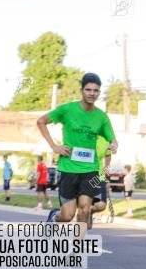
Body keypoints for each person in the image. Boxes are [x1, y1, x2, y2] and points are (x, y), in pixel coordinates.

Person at [36, 72, 117, 226]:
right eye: (88, 90)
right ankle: (55, 216)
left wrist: (114, 144)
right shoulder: (67, 110)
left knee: (85, 210)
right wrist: (54, 146)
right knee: (67, 215)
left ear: (99, 92)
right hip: (69, 169)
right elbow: (41, 121)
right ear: (82, 91)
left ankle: (77, 248)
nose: (92, 93)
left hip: (90, 170)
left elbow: (112, 139)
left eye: (95, 90)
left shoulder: (101, 117)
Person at [89, 135, 112, 227]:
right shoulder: (84, 137)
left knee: (101, 204)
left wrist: (106, 169)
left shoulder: (105, 140)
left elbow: (108, 155)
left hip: (99, 176)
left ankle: (88, 211)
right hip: (84, 174)